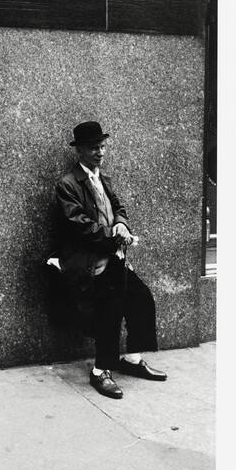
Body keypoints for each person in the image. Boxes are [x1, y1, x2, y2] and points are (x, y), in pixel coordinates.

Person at [55, 121, 167, 399]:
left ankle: (131, 360)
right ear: (79, 150)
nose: (100, 152)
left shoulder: (103, 179)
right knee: (110, 312)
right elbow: (78, 224)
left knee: (142, 299)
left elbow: (118, 208)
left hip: (113, 257)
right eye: (94, 147)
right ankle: (100, 371)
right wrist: (113, 235)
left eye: (103, 146)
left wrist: (121, 225)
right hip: (89, 261)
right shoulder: (67, 184)